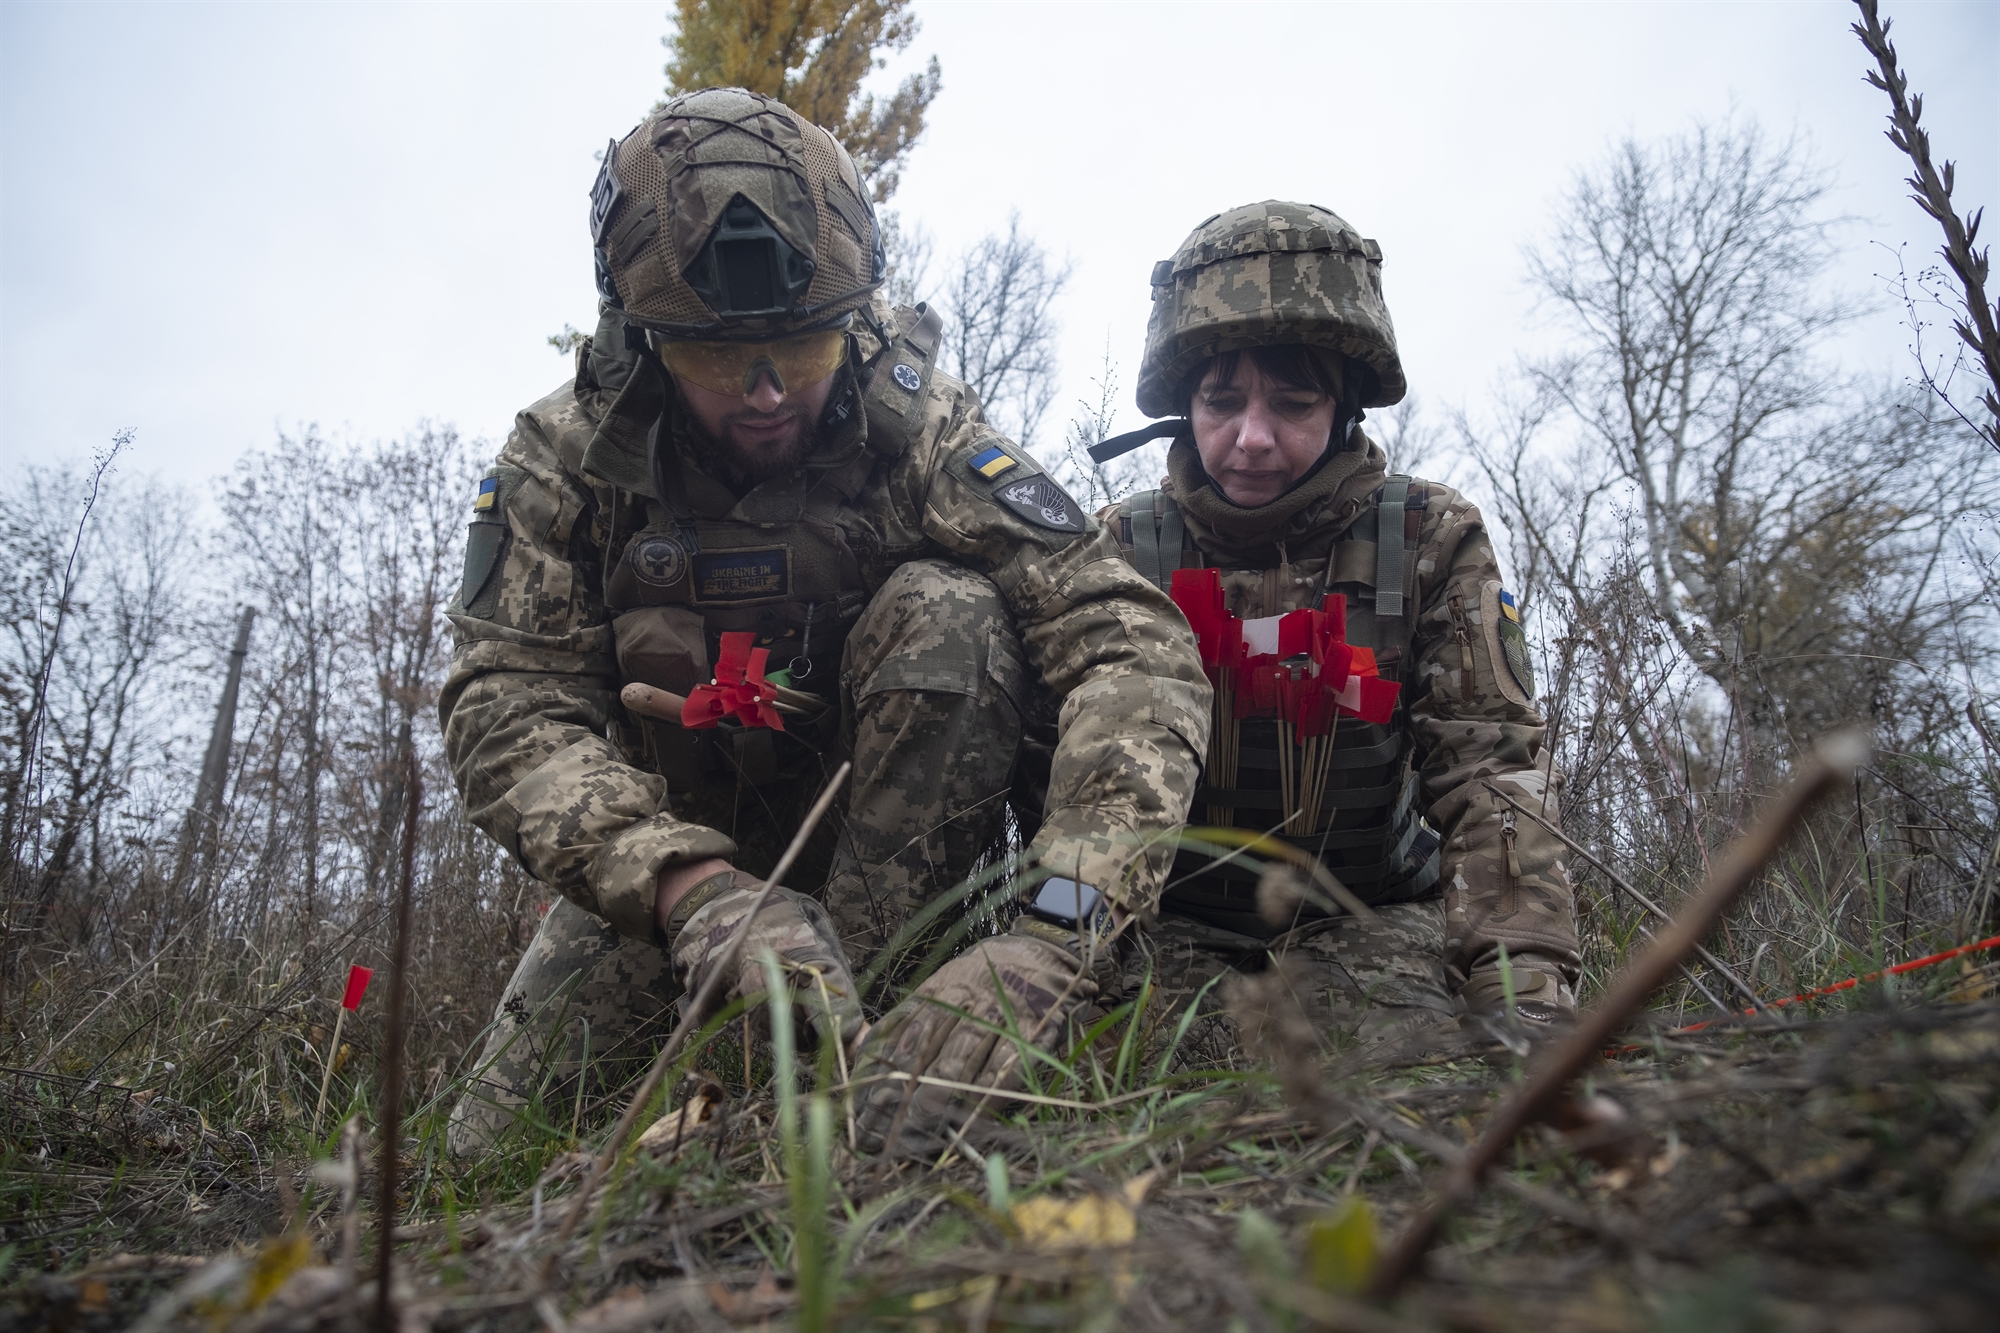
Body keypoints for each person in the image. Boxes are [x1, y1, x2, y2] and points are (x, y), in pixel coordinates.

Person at [441, 88, 1206, 1156]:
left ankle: (876, 1046)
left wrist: (1061, 930)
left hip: (881, 864)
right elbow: (504, 703)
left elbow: (1131, 645)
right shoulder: (567, 460)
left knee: (954, 612)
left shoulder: (923, 434)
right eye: (717, 360)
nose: (763, 396)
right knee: (486, 1153)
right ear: (643, 340)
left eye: (799, 355)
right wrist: (682, 884)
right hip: (671, 872)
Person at [1093, 201, 1581, 1058]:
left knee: (1411, 1086)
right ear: (1182, 405)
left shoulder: (1430, 538)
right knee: (1130, 1080)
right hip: (1165, 932)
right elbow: (1062, 782)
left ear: (1345, 408)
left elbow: (1490, 773)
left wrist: (1526, 988)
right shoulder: (1123, 549)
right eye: (1220, 401)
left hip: (1372, 922)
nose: (1251, 437)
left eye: (1293, 401)